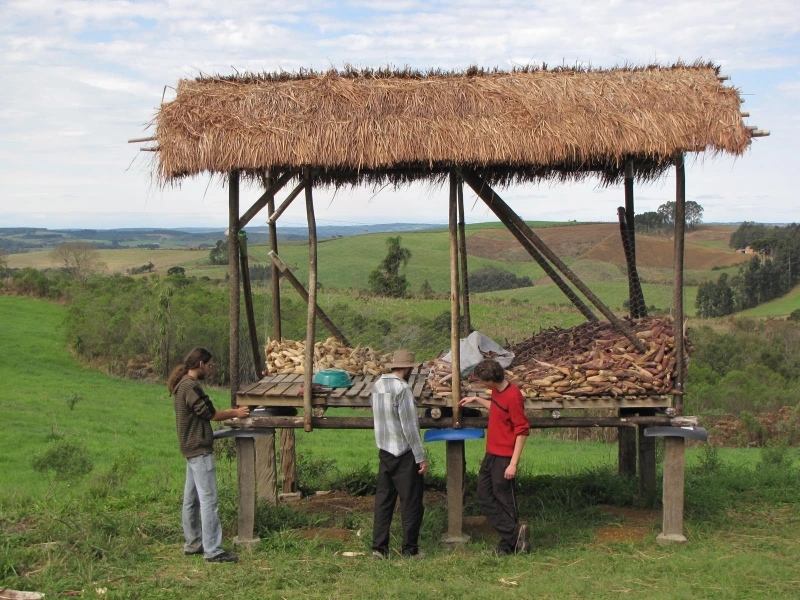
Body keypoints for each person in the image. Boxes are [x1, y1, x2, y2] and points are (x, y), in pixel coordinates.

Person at [167, 347, 250, 564]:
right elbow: (210, 414)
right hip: (199, 449)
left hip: (190, 448)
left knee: (191, 499)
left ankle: (193, 543)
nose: (211, 370)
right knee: (209, 500)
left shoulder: (181, 384)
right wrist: (235, 413)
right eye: (210, 365)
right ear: (200, 364)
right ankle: (213, 550)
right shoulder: (191, 386)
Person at [458, 358, 531, 555]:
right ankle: (516, 535)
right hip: (491, 453)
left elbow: (522, 430)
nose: (482, 384)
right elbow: (499, 410)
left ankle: (510, 543)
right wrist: (478, 400)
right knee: (483, 496)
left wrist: (513, 463)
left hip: (505, 457)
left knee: (504, 499)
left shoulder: (514, 396)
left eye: (482, 381)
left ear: (490, 380)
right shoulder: (499, 391)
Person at [370, 349, 429, 559]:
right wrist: (420, 456)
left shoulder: (377, 385)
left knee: (384, 500)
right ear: (407, 369)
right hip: (404, 452)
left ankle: (379, 548)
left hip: (385, 449)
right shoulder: (403, 389)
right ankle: (410, 550)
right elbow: (410, 426)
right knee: (411, 501)